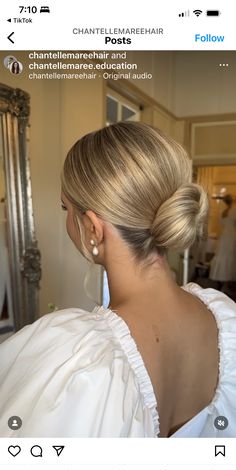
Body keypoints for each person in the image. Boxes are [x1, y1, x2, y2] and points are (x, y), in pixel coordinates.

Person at [0, 122, 236, 438]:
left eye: (65, 207)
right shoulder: (226, 318)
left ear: (93, 228)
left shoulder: (78, 361)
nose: (67, 219)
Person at [210, 194, 236, 289]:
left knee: (221, 254)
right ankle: (227, 281)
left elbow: (221, 223)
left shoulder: (222, 211)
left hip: (224, 235)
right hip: (232, 236)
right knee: (230, 255)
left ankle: (220, 279)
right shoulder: (234, 210)